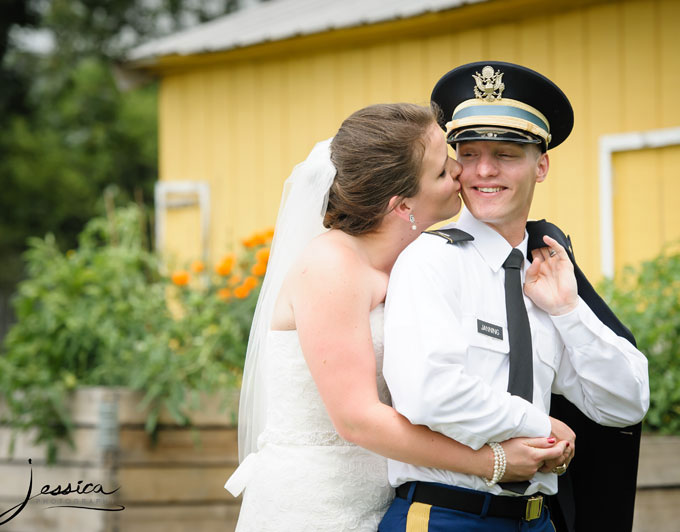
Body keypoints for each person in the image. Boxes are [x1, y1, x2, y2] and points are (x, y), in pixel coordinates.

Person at [224, 103, 570, 531]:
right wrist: (492, 461)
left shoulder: (417, 262)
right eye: (443, 172)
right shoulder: (331, 267)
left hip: (388, 500)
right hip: (318, 503)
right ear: (402, 205)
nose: (460, 173)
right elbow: (356, 418)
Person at [379, 62, 650, 531]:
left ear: (540, 165)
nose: (484, 170)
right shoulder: (430, 260)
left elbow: (624, 403)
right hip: (447, 515)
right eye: (469, 153)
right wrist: (539, 425)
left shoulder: (545, 274)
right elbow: (427, 393)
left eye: (505, 153)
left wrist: (568, 311)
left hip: (535, 519)